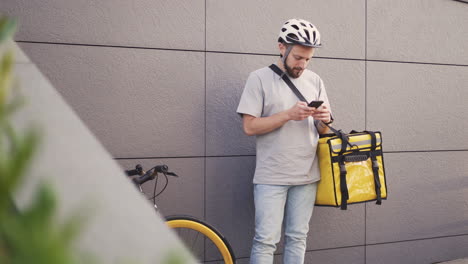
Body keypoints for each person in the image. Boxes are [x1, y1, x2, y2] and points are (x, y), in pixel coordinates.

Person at [236, 18, 333, 264]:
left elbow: (323, 132)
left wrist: (324, 120)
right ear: (282, 47)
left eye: (308, 59)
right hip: (272, 177)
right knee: (266, 241)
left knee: (298, 238)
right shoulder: (258, 79)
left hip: (307, 176)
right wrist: (288, 115)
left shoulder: (315, 81)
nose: (302, 65)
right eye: (298, 57)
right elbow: (249, 126)